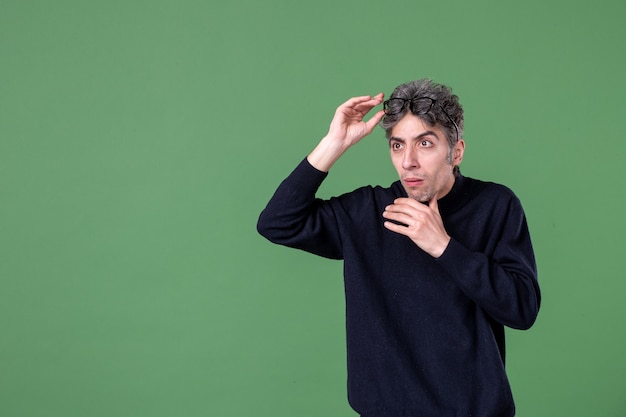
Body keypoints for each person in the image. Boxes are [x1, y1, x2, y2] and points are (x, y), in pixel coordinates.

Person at [257, 78, 540, 417]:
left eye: (425, 143)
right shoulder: (368, 211)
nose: (408, 161)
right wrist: (334, 143)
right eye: (397, 145)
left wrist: (444, 247)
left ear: (457, 151)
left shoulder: (495, 205)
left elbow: (522, 309)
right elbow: (277, 222)